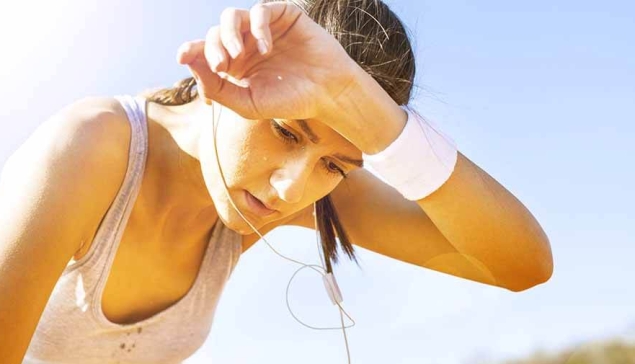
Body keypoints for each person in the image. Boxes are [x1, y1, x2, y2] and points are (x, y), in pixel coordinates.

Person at [0, 0, 554, 363]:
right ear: (235, 70)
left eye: (335, 164)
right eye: (287, 133)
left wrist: (384, 127)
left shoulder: (297, 191)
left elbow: (522, 266)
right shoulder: (91, 149)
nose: (292, 189)